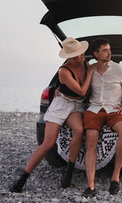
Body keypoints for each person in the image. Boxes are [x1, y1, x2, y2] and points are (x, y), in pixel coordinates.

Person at [10, 37, 96, 192]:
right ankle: (22, 180)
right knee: (48, 143)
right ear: (69, 57)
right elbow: (82, 91)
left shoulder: (85, 63)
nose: (83, 55)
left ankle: (69, 171)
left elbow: (84, 94)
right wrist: (90, 72)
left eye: (82, 52)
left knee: (79, 130)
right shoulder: (63, 71)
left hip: (76, 105)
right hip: (61, 103)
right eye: (78, 54)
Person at [82, 37, 122, 197]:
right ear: (96, 54)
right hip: (93, 109)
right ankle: (90, 186)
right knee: (91, 141)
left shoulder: (120, 69)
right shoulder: (90, 69)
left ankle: (115, 177)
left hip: (114, 110)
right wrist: (59, 91)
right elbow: (77, 85)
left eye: (109, 49)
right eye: (105, 50)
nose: (109, 52)